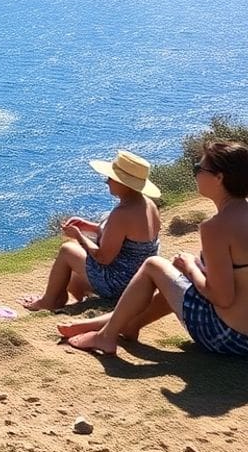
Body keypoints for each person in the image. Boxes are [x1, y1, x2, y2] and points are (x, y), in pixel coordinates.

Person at [61, 141, 248, 358]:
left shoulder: (216, 227)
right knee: (175, 281)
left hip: (230, 337)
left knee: (154, 266)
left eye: (199, 168)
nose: (195, 173)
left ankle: (107, 336)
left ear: (219, 177)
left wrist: (191, 268)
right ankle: (124, 325)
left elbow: (222, 297)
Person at [22, 150, 160, 311]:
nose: (107, 182)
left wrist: (79, 236)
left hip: (120, 284)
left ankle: (49, 301)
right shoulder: (148, 205)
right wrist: (88, 226)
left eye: (111, 178)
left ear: (124, 184)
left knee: (68, 250)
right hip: (140, 282)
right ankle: (79, 300)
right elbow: (127, 239)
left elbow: (103, 258)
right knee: (73, 280)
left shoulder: (122, 213)